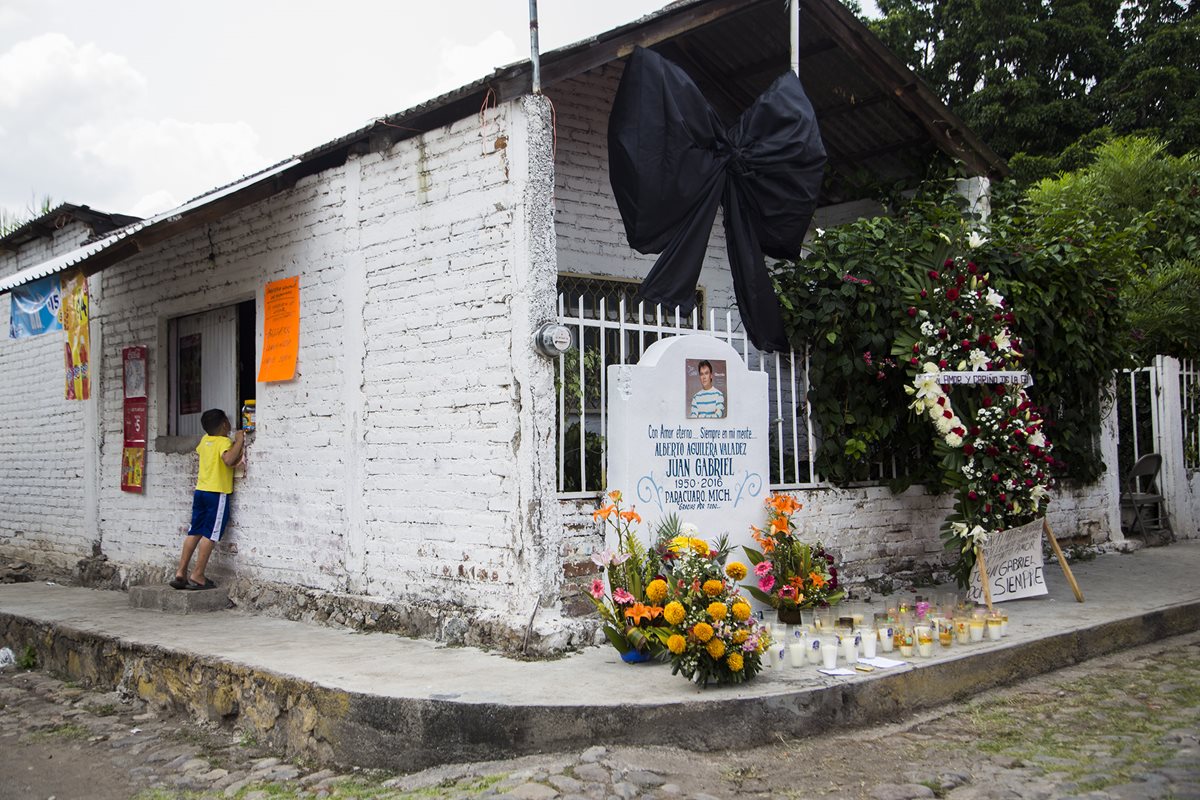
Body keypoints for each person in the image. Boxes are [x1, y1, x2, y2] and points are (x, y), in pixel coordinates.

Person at [170, 409, 245, 590]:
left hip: (201, 491)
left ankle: (181, 572)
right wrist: (240, 440)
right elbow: (228, 459)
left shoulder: (205, 441)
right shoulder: (223, 441)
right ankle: (198, 574)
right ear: (225, 424)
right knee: (210, 534)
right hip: (216, 493)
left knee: (194, 531)